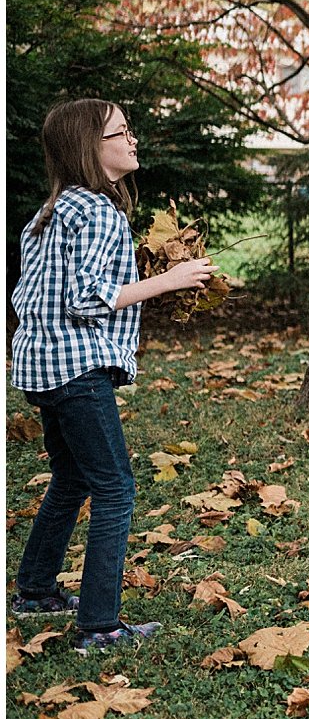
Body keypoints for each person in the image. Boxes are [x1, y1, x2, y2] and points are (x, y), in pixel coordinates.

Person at [9, 99, 218, 653]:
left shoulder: (52, 210)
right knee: (115, 488)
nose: (132, 139)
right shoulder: (98, 210)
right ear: (89, 148)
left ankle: (32, 590)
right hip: (76, 367)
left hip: (39, 365)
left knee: (72, 477)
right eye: (120, 132)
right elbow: (86, 299)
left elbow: (36, 292)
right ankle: (100, 626)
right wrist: (169, 280)